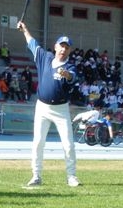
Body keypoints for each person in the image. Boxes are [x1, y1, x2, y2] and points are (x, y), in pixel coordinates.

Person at [17, 21, 80, 187]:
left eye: (67, 47)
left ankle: (71, 176)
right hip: (42, 107)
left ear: (69, 50)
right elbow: (32, 43)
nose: (63, 49)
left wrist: (66, 74)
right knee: (38, 142)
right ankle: (36, 176)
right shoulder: (44, 57)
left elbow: (72, 77)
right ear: (56, 46)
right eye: (61, 46)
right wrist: (25, 29)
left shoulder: (71, 66)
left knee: (68, 144)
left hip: (61, 109)